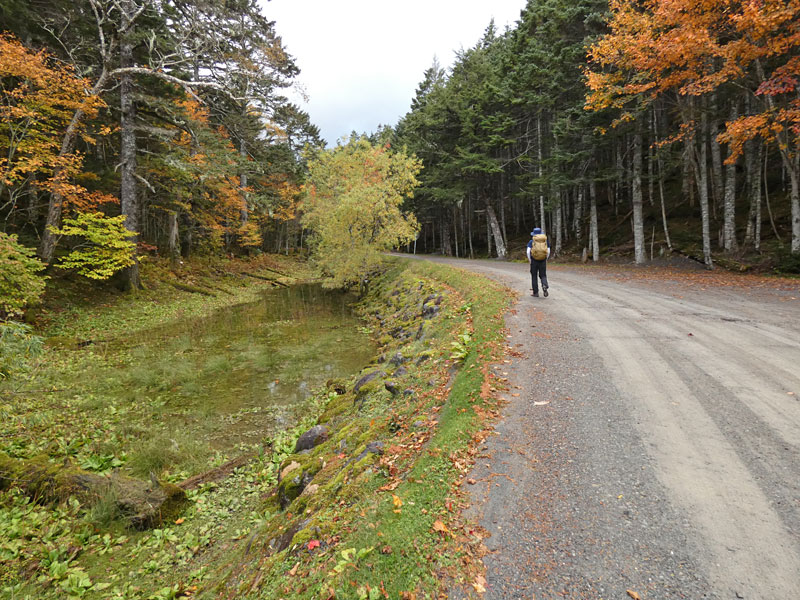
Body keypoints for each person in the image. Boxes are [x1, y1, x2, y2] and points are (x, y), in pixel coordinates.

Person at [526, 227, 550, 297]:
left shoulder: (531, 242)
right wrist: (546, 258)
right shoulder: (545, 241)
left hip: (534, 260)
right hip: (543, 260)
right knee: (543, 275)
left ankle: (535, 292)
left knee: (534, 276)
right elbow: (548, 251)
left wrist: (530, 260)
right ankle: (544, 285)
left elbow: (528, 252)